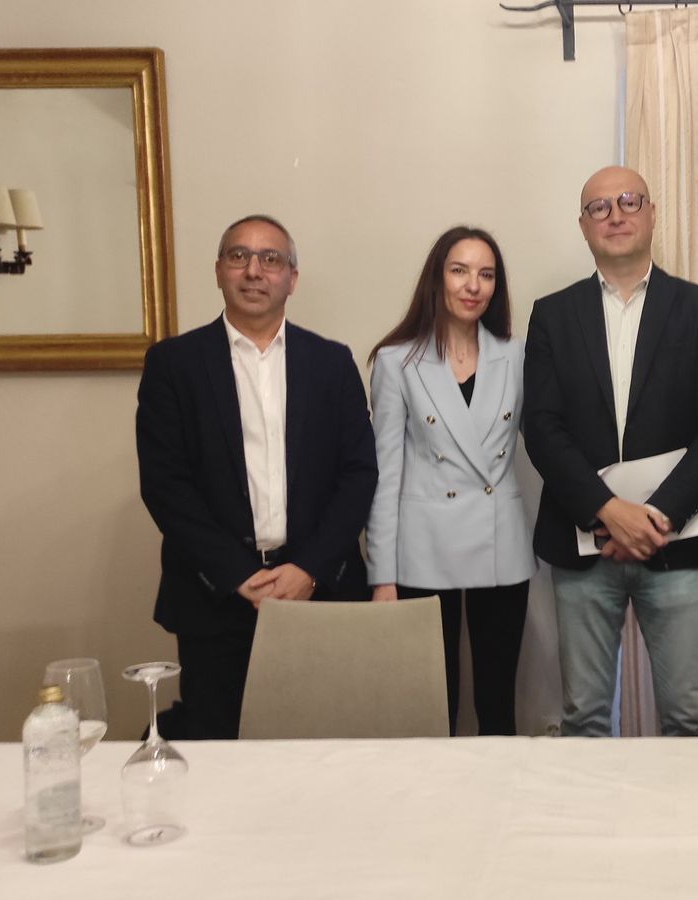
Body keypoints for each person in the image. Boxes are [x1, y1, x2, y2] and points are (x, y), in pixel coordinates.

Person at [523, 166, 698, 737]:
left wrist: (658, 516)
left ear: (651, 212)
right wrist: (609, 512)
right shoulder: (552, 315)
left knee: (689, 716)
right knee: (585, 717)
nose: (615, 214)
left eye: (628, 201)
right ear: (583, 226)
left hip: (674, 541)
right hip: (584, 545)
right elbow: (542, 427)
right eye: (599, 207)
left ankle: (681, 827)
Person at [135, 214, 377, 740]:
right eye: (238, 256)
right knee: (223, 754)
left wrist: (307, 568)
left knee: (325, 745)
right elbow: (164, 484)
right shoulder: (173, 365)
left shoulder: (332, 363)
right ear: (218, 271)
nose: (253, 270)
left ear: (292, 277)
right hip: (215, 598)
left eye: (271, 259)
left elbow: (359, 474)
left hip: (316, 593)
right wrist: (236, 574)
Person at [365, 226, 535, 736]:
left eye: (486, 274)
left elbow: (549, 440)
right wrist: (382, 576)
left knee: (497, 703)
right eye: (459, 270)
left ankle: (497, 811)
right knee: (432, 704)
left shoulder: (517, 355)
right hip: (422, 549)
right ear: (437, 279)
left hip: (499, 542)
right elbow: (385, 473)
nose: (473, 285)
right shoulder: (398, 361)